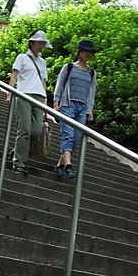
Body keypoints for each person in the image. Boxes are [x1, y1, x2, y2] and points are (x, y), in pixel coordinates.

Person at [5, 29, 52, 176]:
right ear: (31, 42)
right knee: (24, 129)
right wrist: (9, 92)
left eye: (43, 43)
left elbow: (43, 82)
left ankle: (15, 152)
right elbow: (14, 75)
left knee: (36, 131)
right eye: (39, 43)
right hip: (24, 94)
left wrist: (45, 100)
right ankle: (18, 162)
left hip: (38, 97)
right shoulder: (22, 57)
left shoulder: (42, 62)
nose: (41, 46)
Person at [53, 39, 97, 178]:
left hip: (82, 109)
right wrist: (56, 103)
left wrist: (90, 109)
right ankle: (68, 166)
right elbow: (59, 85)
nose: (88, 54)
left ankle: (59, 165)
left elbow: (91, 92)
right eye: (85, 51)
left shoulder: (92, 73)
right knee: (68, 135)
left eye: (90, 52)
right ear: (79, 52)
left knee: (76, 138)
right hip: (68, 105)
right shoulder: (69, 67)